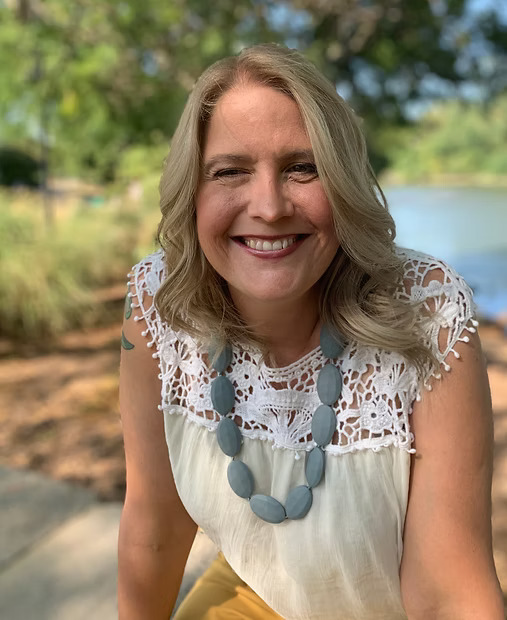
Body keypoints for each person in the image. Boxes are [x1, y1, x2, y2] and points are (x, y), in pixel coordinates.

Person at [117, 44, 503, 620]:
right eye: (230, 171)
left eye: (303, 168)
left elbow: (449, 590)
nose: (269, 206)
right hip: (250, 592)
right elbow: (155, 521)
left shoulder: (429, 312)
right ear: (191, 191)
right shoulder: (157, 305)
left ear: (344, 183)